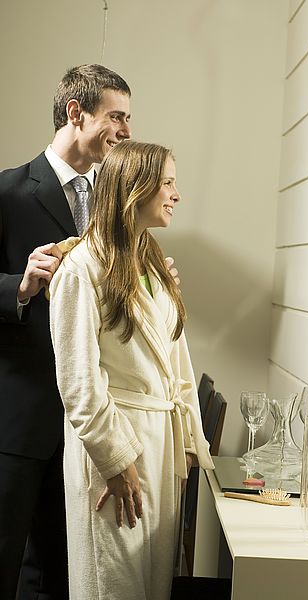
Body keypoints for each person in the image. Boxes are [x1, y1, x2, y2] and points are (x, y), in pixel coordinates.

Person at [48, 140, 214, 600]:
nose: (176, 194)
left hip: (161, 447)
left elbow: (178, 361)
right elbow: (78, 384)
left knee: (153, 587)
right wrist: (116, 463)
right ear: (134, 188)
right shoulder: (80, 270)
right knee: (113, 586)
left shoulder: (154, 263)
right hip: (114, 446)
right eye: (167, 183)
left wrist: (185, 450)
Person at [0, 64, 134, 599]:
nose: (125, 130)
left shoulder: (116, 203)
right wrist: (20, 285)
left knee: (66, 575)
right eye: (116, 117)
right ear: (75, 113)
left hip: (89, 426)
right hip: (18, 421)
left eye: (128, 118)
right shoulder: (7, 191)